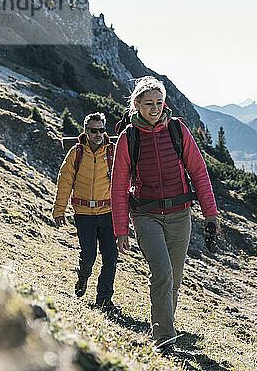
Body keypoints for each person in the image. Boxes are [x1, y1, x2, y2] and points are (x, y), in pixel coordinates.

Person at [111, 76, 220, 353]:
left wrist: (210, 213)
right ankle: (164, 340)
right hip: (146, 216)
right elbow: (119, 185)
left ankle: (163, 326)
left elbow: (198, 172)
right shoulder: (128, 137)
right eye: (149, 104)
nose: (155, 108)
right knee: (162, 272)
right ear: (136, 105)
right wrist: (121, 230)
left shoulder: (177, 130)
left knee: (175, 276)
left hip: (180, 214)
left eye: (159, 102)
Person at [52, 112, 118, 311]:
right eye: (93, 130)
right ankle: (83, 276)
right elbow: (64, 182)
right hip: (83, 214)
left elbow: (123, 182)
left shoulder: (113, 152)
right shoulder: (76, 153)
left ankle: (104, 299)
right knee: (88, 254)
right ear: (86, 131)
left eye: (101, 130)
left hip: (108, 212)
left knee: (110, 257)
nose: (98, 134)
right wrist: (59, 210)